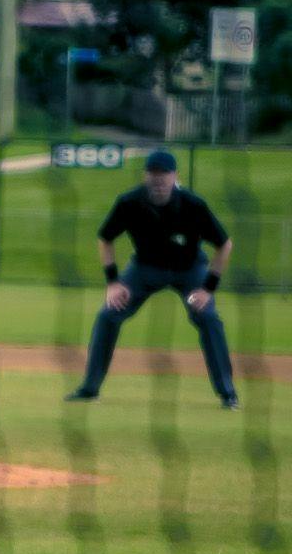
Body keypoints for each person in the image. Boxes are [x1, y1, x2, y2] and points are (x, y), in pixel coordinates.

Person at [67, 147, 238, 410]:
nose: (158, 178)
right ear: (145, 175)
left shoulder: (193, 205)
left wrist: (208, 289)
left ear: (175, 176)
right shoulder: (130, 203)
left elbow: (224, 244)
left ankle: (228, 393)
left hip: (189, 270)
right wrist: (113, 283)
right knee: (109, 314)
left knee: (207, 317)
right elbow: (105, 238)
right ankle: (90, 388)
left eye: (164, 173)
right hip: (144, 270)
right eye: (153, 172)